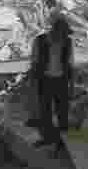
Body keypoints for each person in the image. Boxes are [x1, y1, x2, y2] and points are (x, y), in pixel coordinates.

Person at [30, 13, 74, 147]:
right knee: (45, 111)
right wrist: (34, 81)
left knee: (63, 111)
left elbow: (70, 62)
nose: (64, 37)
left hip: (61, 81)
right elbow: (35, 61)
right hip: (45, 80)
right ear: (55, 31)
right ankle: (47, 138)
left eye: (65, 34)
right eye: (63, 34)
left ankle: (63, 140)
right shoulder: (40, 41)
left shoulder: (67, 42)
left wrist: (71, 83)